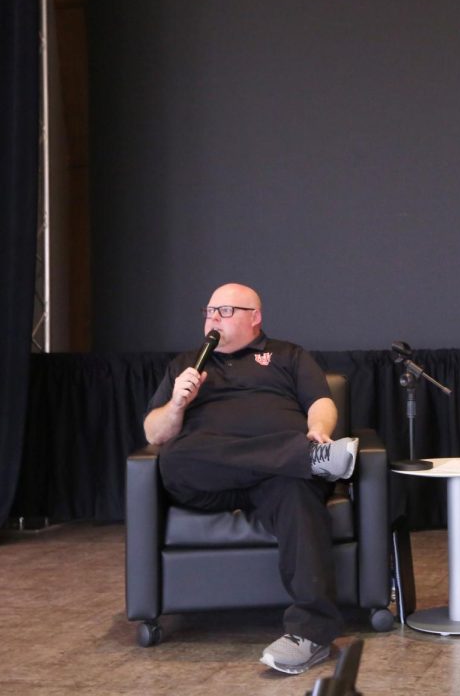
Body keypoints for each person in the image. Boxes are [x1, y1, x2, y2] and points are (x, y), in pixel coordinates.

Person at [143, 282, 359, 676]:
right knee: (175, 456)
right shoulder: (187, 363)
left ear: (254, 317)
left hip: (277, 481)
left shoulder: (288, 355)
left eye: (224, 311)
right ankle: (308, 459)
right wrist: (176, 403)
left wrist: (320, 432)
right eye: (209, 312)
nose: (213, 319)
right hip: (210, 478)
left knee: (297, 492)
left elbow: (320, 403)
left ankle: (310, 635)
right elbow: (154, 434)